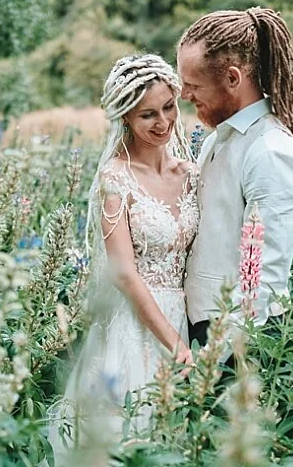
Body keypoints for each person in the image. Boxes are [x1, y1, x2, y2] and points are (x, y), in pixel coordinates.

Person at [53, 53, 198, 446]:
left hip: (184, 315)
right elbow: (123, 273)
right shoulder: (115, 178)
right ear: (127, 119)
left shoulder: (190, 174)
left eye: (168, 107)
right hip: (135, 326)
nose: (163, 122)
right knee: (123, 439)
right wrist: (174, 343)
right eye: (147, 114)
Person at [176, 7, 293, 345]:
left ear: (233, 79)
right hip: (198, 328)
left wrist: (213, 361)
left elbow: (264, 281)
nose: (184, 95)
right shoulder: (216, 140)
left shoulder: (270, 151)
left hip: (233, 341)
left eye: (193, 85)